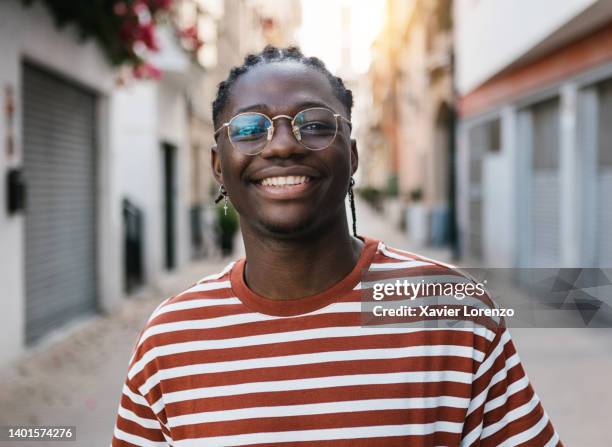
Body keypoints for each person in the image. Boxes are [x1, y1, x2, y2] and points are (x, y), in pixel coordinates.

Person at [111, 46, 562, 447]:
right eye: (250, 128)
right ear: (218, 166)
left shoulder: (451, 312)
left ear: (353, 156)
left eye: (314, 124)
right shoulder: (168, 341)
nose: (284, 145)